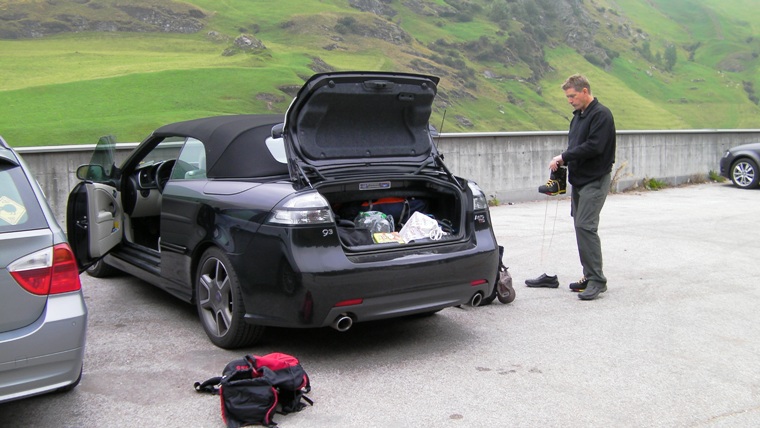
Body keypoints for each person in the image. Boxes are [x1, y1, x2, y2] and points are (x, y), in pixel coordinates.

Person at [548, 74, 616, 301]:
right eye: (567, 97)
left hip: (595, 179)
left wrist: (564, 156)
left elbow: (594, 147)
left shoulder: (601, 115)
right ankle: (589, 276)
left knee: (586, 226)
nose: (569, 100)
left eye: (572, 96)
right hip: (579, 180)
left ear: (585, 91)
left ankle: (597, 280)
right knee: (580, 226)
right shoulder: (579, 116)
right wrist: (564, 162)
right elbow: (576, 145)